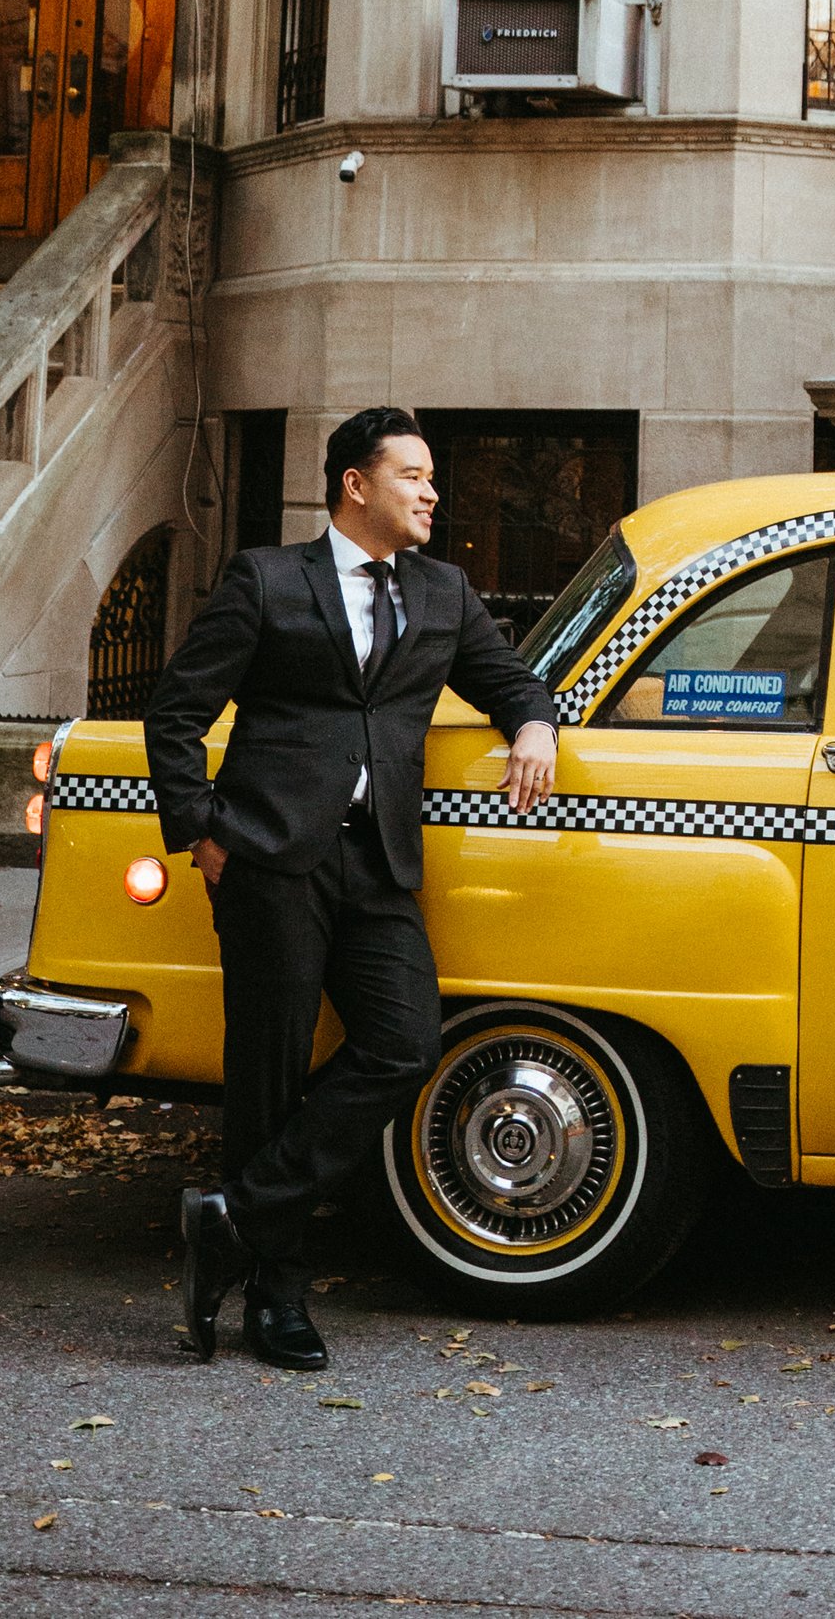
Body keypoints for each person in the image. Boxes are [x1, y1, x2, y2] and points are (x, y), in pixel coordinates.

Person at [144, 404, 559, 1369]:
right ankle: (275, 1302)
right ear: (355, 486)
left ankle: (232, 1213)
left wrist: (534, 727)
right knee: (270, 1076)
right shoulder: (266, 578)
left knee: (404, 1039)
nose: (432, 493)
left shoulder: (445, 591)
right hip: (269, 858)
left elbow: (516, 682)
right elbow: (177, 711)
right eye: (413, 476)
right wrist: (203, 834)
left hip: (378, 864)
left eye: (430, 477)